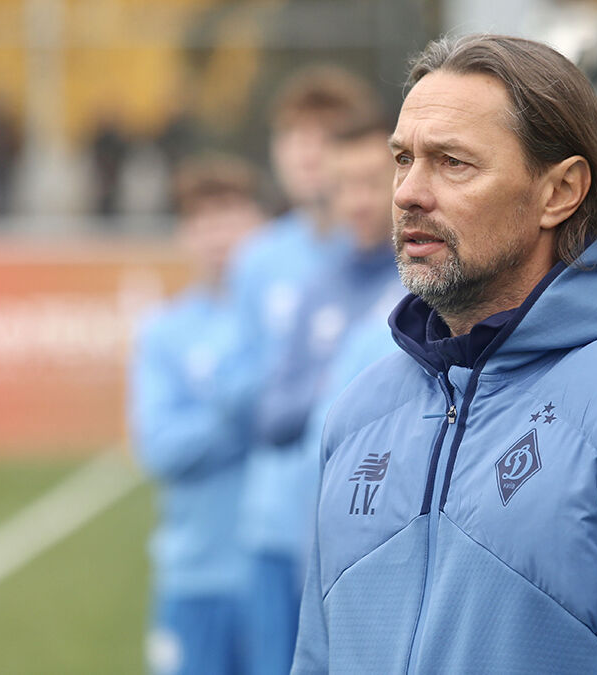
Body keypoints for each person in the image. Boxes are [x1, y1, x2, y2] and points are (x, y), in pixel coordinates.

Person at [292, 34, 597, 673]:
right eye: (403, 158)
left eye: (453, 162)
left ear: (560, 191)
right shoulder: (361, 410)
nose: (409, 191)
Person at [228, 65, 379, 675]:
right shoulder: (264, 259)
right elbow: (260, 399)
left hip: (368, 523)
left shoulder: (402, 262)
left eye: (324, 135)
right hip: (279, 517)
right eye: (296, 137)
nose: (309, 152)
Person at [128, 156, 265, 675]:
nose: (216, 234)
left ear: (260, 224)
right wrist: (246, 415)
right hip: (195, 576)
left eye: (229, 215)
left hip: (279, 571)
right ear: (183, 234)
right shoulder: (165, 332)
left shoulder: (283, 319)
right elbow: (161, 447)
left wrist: (216, 409)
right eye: (202, 220)